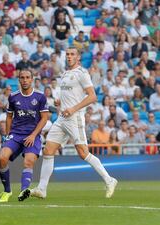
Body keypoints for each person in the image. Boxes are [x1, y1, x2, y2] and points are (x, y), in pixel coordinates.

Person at [30, 47, 118, 199]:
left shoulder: (82, 73)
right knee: (48, 151)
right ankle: (42, 189)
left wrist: (73, 109)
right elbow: (71, 96)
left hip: (75, 117)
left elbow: (92, 97)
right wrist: (60, 102)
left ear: (78, 58)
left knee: (83, 153)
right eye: (67, 54)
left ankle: (109, 180)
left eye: (72, 54)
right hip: (62, 118)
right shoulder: (65, 74)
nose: (69, 57)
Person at [0, 69, 49, 203]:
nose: (25, 80)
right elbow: (9, 116)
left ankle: (23, 191)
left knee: (29, 161)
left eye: (27, 77)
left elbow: (44, 118)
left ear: (32, 79)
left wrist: (33, 135)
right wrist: (8, 135)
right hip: (16, 134)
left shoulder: (40, 96)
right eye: (22, 78)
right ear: (19, 80)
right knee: (2, 158)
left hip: (32, 135)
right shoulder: (13, 97)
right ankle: (7, 191)